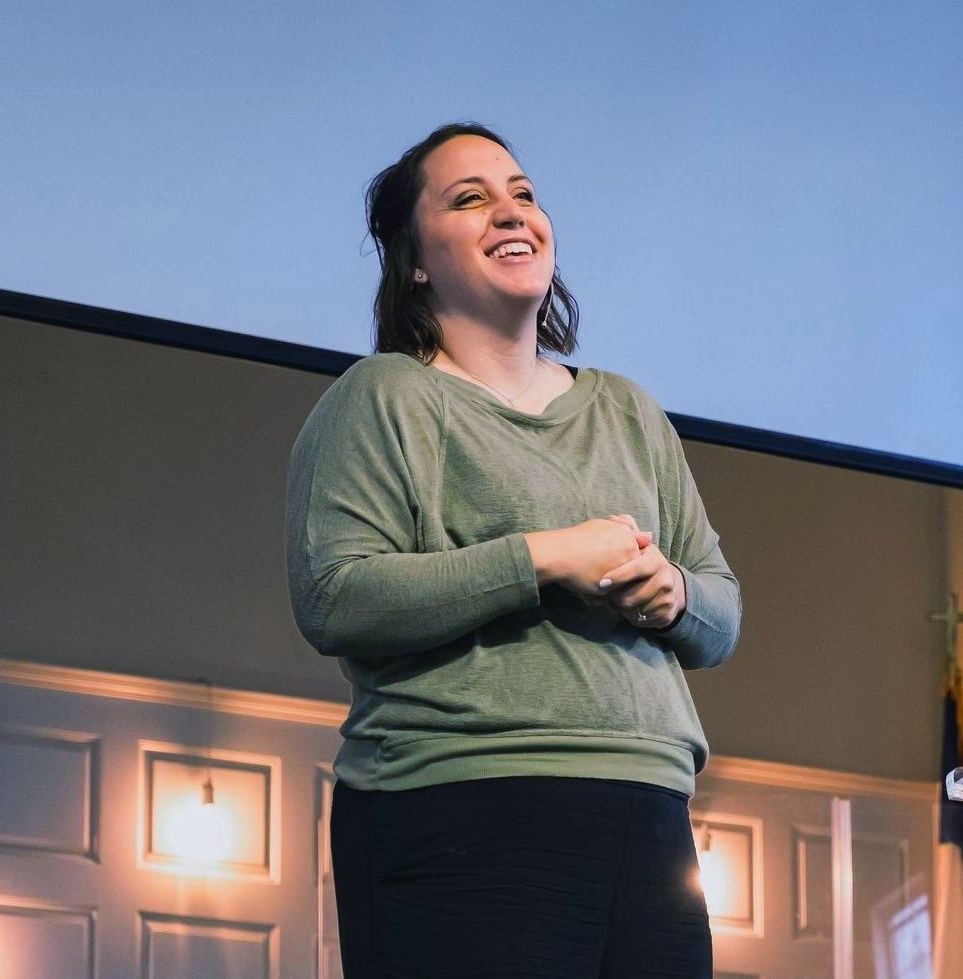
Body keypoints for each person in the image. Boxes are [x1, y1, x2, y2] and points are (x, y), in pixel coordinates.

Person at [285, 121, 742, 979]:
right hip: (461, 804)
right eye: (471, 198)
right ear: (415, 259)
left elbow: (722, 615)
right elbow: (335, 597)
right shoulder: (383, 397)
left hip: (651, 814)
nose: (511, 212)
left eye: (523, 194)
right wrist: (542, 557)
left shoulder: (628, 410)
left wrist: (673, 590)